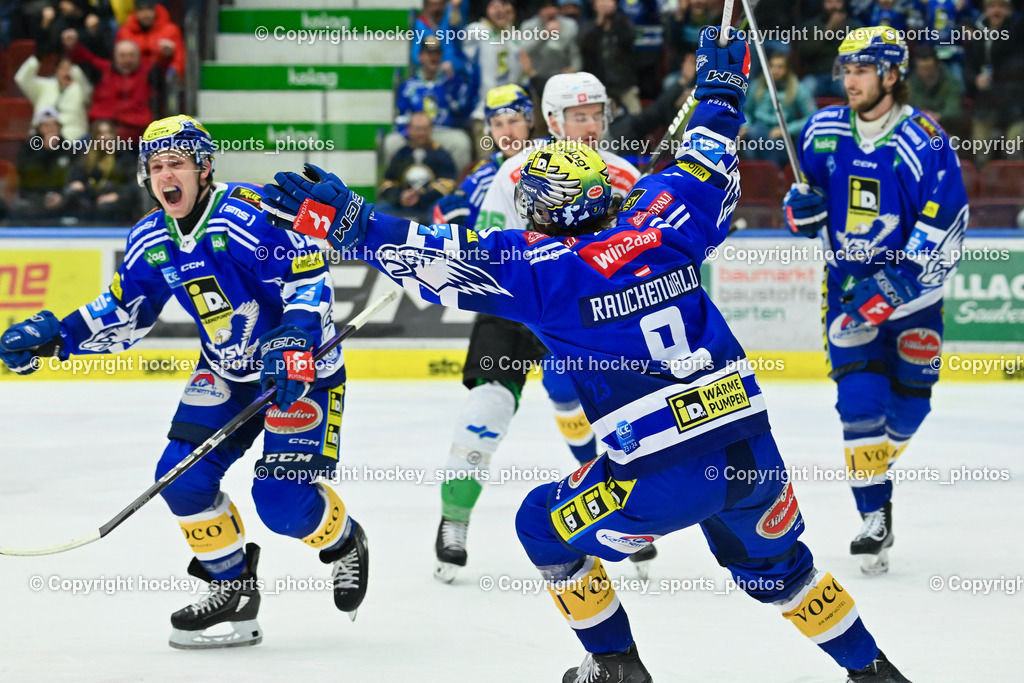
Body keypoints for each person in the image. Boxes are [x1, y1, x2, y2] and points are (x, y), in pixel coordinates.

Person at [261, 26, 913, 683]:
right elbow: (707, 160)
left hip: (662, 473)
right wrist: (721, 88)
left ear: (542, 214)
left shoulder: (548, 270)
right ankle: (875, 671)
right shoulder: (661, 218)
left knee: (539, 524)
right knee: (782, 570)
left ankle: (614, 663)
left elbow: (440, 256)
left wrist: (348, 223)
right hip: (751, 448)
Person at [0, 115, 369, 649]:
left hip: (299, 374)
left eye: (175, 163)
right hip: (225, 371)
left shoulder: (251, 214)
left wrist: (296, 341)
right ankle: (232, 587)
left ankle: (344, 542)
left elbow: (308, 275)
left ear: (203, 168)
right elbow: (125, 310)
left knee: (282, 504)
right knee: (179, 478)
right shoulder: (151, 235)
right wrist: (59, 336)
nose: (164, 175)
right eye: (155, 166)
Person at [438, 73, 654, 584]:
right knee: (486, 406)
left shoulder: (623, 173)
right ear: (555, 121)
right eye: (578, 116)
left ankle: (613, 504)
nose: (589, 125)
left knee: (588, 403)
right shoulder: (512, 172)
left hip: (582, 306)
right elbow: (486, 247)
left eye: (596, 114)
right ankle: (454, 518)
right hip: (517, 301)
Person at [783, 27, 968, 576]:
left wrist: (892, 287)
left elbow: (946, 221)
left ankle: (874, 475)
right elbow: (802, 207)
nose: (850, 80)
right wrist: (802, 211)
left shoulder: (924, 139)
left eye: (862, 69)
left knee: (911, 407)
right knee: (859, 404)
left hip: (915, 302)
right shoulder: (823, 130)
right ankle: (873, 515)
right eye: (846, 69)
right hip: (846, 295)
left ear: (892, 75)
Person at [376, 111, 458, 225]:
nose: (421, 133)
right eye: (417, 129)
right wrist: (400, 196)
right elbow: (387, 183)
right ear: (409, 129)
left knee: (441, 211)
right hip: (401, 206)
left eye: (424, 129)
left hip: (429, 205)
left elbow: (448, 185)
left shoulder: (441, 155)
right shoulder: (401, 154)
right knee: (378, 211)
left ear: (430, 129)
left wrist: (421, 197)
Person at [741, 50, 817, 166]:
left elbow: (812, 117)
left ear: (787, 70)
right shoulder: (757, 86)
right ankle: (774, 174)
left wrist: (785, 130)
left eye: (780, 67)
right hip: (758, 131)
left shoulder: (798, 88)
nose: (775, 71)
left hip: (785, 135)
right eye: (772, 66)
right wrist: (745, 125)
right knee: (754, 135)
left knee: (763, 146)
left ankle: (772, 174)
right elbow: (747, 112)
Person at [14, 53, 92, 141]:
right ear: (56, 71)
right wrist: (37, 58)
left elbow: (88, 90)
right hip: (42, 140)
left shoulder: (80, 89)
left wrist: (76, 73)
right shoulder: (44, 86)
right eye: (63, 68)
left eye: (70, 69)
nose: (67, 72)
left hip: (73, 142)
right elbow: (21, 79)